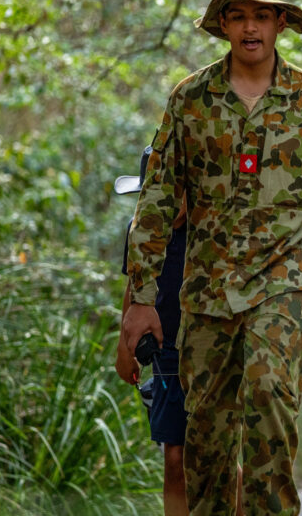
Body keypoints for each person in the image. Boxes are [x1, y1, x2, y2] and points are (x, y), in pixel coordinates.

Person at [122, 0, 302, 515]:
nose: (249, 27)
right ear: (222, 25)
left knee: (268, 395)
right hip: (207, 293)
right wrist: (142, 298)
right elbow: (158, 201)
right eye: (237, 16)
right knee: (208, 442)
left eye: (261, 15)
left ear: (280, 23)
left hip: (286, 283)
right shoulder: (190, 99)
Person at [114, 146, 190, 516]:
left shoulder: (213, 229)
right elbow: (134, 285)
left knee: (216, 457)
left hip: (213, 350)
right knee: (174, 456)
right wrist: (124, 346)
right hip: (166, 353)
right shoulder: (140, 230)